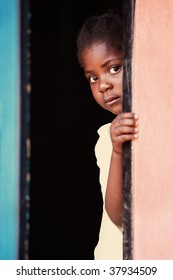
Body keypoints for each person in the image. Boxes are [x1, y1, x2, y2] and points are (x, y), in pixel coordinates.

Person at [76, 10, 139, 259]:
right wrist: (116, 149)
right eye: (93, 77)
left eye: (114, 68)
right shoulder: (107, 138)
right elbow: (118, 216)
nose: (103, 85)